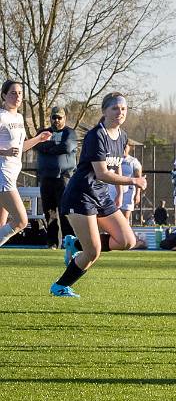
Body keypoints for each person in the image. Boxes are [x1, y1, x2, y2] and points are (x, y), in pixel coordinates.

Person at [49, 92, 147, 297]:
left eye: (124, 108)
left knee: (127, 241)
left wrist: (120, 192)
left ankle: (74, 243)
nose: (120, 112)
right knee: (93, 252)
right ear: (104, 111)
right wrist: (133, 181)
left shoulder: (122, 136)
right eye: (115, 108)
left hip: (100, 193)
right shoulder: (97, 135)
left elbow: (116, 166)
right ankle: (60, 286)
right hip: (80, 194)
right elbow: (102, 172)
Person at [0, 80, 52, 248]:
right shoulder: (1, 116)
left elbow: (20, 148)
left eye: (20, 93)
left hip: (11, 175)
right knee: (21, 221)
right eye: (13, 93)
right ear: (3, 96)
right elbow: (9, 150)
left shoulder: (19, 118)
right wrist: (4, 152)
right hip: (3, 176)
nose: (17, 96)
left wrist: (38, 139)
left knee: (2, 227)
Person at [34, 106, 77, 249]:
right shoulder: (43, 132)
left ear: (64, 118)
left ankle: (68, 240)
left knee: (65, 211)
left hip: (64, 178)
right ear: (50, 118)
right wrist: (52, 146)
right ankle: (52, 242)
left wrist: (48, 147)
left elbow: (66, 147)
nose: (56, 120)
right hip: (46, 177)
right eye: (54, 117)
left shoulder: (69, 132)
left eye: (59, 117)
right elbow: (37, 145)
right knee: (50, 212)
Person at [107, 141, 142, 223]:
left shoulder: (133, 161)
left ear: (129, 147)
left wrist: (137, 194)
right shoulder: (113, 159)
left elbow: (138, 178)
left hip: (128, 191)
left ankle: (124, 234)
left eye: (125, 146)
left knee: (125, 217)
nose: (123, 149)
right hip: (112, 190)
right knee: (111, 215)